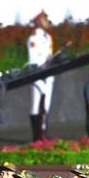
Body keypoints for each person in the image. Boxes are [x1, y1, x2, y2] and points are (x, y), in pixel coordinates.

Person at [26, 10, 56, 141]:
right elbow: (33, 60)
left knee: (46, 106)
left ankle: (43, 133)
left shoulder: (48, 37)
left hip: (48, 74)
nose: (47, 21)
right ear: (38, 21)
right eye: (44, 19)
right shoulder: (34, 38)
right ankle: (36, 136)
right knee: (36, 105)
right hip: (38, 74)